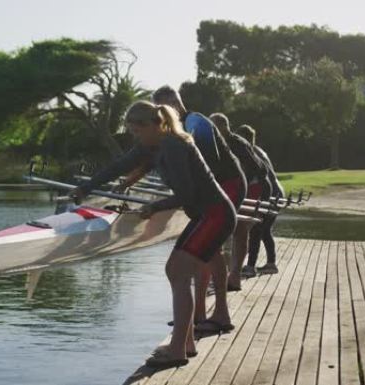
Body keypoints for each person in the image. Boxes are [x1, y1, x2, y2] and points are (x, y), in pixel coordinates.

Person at [70, 101, 237, 369]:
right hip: (207, 216)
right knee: (177, 272)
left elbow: (186, 195)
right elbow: (119, 166)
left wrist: (154, 207)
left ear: (158, 124)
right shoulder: (151, 145)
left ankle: (177, 350)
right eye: (132, 131)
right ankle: (185, 343)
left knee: (177, 271)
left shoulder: (174, 144)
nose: (136, 135)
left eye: (139, 129)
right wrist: (86, 187)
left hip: (215, 215)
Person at [152, 86, 245, 334]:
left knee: (208, 248)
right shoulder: (178, 129)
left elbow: (209, 161)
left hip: (229, 184)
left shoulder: (195, 121)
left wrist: (190, 193)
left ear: (174, 102)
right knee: (206, 251)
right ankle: (200, 312)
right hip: (215, 188)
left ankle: (218, 313)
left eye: (165, 106)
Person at [210, 115, 271, 285]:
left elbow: (260, 168)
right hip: (229, 188)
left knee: (240, 229)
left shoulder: (238, 143)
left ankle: (235, 275)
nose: (211, 132)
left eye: (213, 128)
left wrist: (241, 184)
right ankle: (221, 274)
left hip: (250, 187)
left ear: (223, 127)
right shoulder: (217, 144)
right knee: (224, 228)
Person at [236, 124, 284, 275]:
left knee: (256, 229)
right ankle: (271, 263)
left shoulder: (249, 152)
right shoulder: (258, 150)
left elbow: (251, 176)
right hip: (277, 192)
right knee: (264, 230)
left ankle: (250, 267)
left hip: (268, 193)